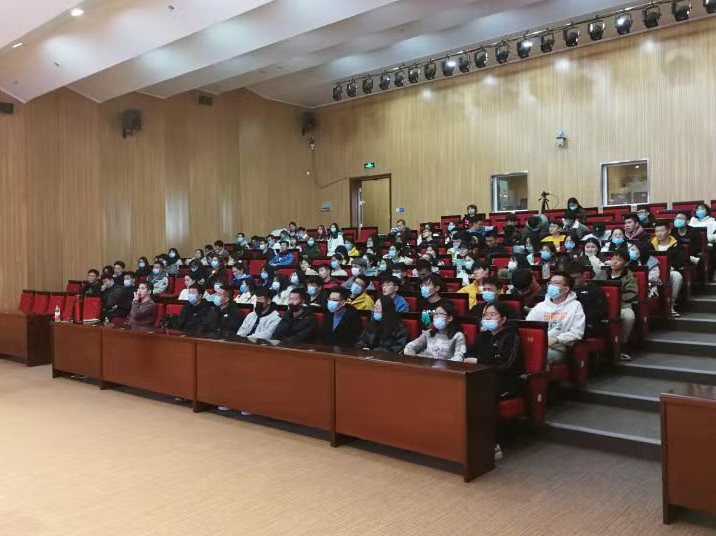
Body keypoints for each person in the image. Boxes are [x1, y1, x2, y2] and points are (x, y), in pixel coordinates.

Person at [465, 302, 523, 399]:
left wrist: (478, 361)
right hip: (481, 376)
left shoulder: (511, 336)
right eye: (485, 315)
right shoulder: (483, 335)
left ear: (503, 319)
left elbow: (505, 364)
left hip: (504, 380)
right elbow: (470, 352)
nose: (487, 318)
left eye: (492, 314)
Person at [526, 272, 585, 365]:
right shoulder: (541, 306)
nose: (551, 286)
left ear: (566, 289)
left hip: (558, 349)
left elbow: (577, 333)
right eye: (550, 283)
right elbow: (528, 326)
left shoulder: (575, 306)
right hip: (537, 345)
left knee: (540, 356)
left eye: (556, 283)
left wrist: (557, 339)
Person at [595, 250, 637, 360]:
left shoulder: (630, 277)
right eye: (613, 259)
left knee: (629, 316)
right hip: (601, 305)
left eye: (619, 260)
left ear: (626, 263)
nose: (614, 262)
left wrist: (615, 298)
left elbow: (631, 293)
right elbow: (592, 286)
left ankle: (622, 343)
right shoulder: (602, 273)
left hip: (622, 305)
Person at [564, 262, 608, 337]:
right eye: (570, 279)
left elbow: (602, 313)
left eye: (575, 278)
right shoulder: (566, 290)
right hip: (566, 324)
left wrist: (581, 310)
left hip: (588, 324)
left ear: (584, 275)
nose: (572, 281)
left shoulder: (595, 290)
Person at [651, 220, 685, 316]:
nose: (659, 233)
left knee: (677, 275)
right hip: (653, 272)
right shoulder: (650, 244)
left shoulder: (677, 245)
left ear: (669, 231)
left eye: (661, 231)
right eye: (656, 231)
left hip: (669, 271)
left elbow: (680, 261)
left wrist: (671, 267)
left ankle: (671, 304)